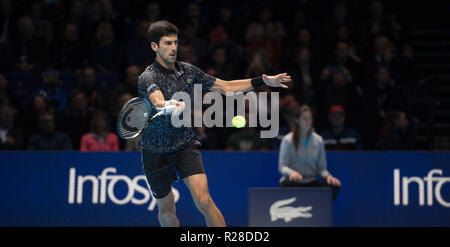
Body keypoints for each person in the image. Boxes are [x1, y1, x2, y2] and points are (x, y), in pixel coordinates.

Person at [137, 20, 291, 227]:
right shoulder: (148, 76)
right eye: (167, 43)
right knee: (167, 211)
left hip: (183, 144)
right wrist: (168, 105)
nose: (173, 48)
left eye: (175, 42)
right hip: (154, 152)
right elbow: (156, 100)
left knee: (204, 201)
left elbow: (226, 87)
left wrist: (262, 81)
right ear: (155, 46)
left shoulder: (188, 71)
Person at [278, 105, 341, 202]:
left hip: (311, 181)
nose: (308, 121)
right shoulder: (287, 140)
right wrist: (292, 172)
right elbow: (282, 167)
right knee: (283, 185)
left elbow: (321, 168)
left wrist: (329, 176)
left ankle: (320, 212)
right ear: (297, 120)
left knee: (334, 186)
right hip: (293, 182)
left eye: (310, 118)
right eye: (304, 118)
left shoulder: (318, 140)